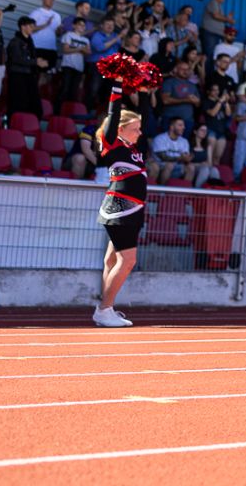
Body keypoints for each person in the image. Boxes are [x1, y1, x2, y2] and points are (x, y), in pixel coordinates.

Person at [93, 105, 149, 327]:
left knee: (112, 260)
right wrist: (116, 84)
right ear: (120, 129)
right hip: (121, 209)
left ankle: (107, 308)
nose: (139, 133)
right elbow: (112, 115)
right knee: (128, 260)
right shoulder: (112, 145)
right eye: (135, 129)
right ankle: (104, 308)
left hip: (131, 209)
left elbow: (146, 121)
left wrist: (144, 91)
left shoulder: (134, 149)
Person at [149, 118, 194, 184]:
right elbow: (162, 157)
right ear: (172, 127)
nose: (184, 127)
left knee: (191, 167)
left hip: (177, 166)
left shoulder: (184, 141)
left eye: (183, 125)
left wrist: (189, 158)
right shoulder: (160, 138)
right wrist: (180, 158)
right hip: (160, 165)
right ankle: (162, 192)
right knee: (169, 165)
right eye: (180, 125)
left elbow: (185, 156)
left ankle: (185, 191)